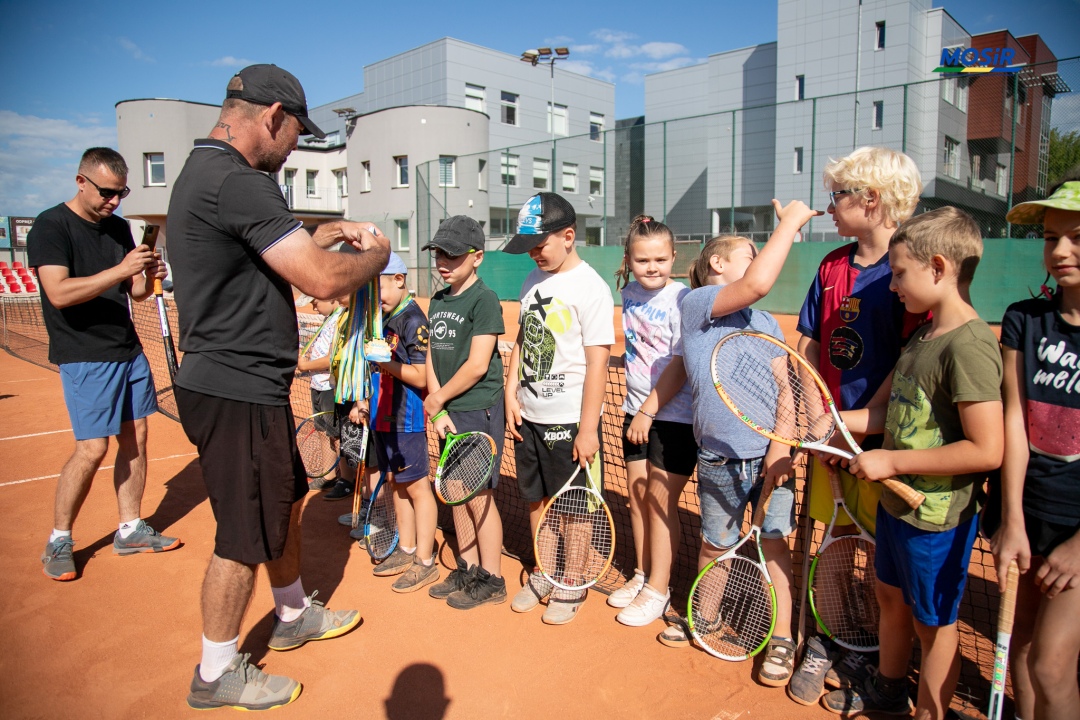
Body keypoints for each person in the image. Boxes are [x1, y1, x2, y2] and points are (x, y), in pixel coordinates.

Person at [167, 64, 389, 711]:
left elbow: (266, 254)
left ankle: (291, 614)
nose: (295, 146)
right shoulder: (240, 181)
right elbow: (321, 279)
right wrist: (377, 255)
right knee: (243, 535)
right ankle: (215, 673)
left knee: (284, 498)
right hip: (237, 388)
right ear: (272, 116)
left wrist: (325, 233)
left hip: (241, 384)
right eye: (296, 133)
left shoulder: (206, 172)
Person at [821, 207, 1004, 719]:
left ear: (939, 268)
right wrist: (834, 424)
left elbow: (987, 449)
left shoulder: (969, 346)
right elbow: (884, 411)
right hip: (897, 507)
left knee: (933, 624)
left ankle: (928, 713)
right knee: (888, 595)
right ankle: (888, 689)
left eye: (900, 273)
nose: (892, 284)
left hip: (937, 519)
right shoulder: (922, 337)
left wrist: (893, 462)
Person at [653, 201, 820, 692]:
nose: (760, 259)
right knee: (715, 544)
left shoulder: (766, 323)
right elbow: (758, 283)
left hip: (772, 459)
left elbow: (785, 389)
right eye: (751, 253)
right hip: (718, 460)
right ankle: (704, 616)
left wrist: (781, 447)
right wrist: (789, 223)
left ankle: (782, 638)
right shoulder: (697, 306)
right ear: (717, 263)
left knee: (774, 543)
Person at [789, 146, 927, 705]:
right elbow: (809, 342)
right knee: (834, 542)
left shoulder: (909, 268)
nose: (830, 206)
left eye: (838, 196)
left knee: (881, 558)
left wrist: (862, 426)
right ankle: (829, 638)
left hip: (885, 445)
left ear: (870, 199)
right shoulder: (831, 266)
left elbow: (914, 356)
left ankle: (869, 649)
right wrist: (816, 416)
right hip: (829, 437)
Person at [29, 146, 178, 582]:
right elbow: (59, 293)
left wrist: (146, 274)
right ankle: (59, 539)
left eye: (121, 193)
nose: (114, 201)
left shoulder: (117, 228)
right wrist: (121, 270)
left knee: (137, 439)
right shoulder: (50, 226)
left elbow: (135, 294)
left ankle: (130, 529)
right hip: (84, 355)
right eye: (107, 192)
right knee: (92, 449)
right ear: (81, 182)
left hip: (127, 349)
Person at [991, 175, 1080, 720]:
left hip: (1077, 533)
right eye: (1051, 238)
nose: (1061, 250)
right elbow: (1015, 420)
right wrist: (1013, 520)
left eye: (1077, 237)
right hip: (1029, 514)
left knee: (1051, 667)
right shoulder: (1024, 321)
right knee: (1019, 649)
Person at [504, 192, 615, 625]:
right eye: (529, 246)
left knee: (574, 508)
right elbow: (521, 339)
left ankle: (572, 580)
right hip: (529, 417)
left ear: (568, 236)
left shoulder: (592, 288)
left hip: (569, 421)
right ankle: (545, 571)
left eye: (540, 244)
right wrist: (511, 390)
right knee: (536, 500)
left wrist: (587, 429)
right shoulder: (532, 280)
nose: (534, 253)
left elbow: (598, 363)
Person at [607, 215, 696, 627]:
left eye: (661, 259)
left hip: (672, 417)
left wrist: (648, 411)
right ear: (629, 260)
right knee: (638, 496)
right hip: (635, 410)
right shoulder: (628, 292)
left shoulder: (683, 299)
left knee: (660, 503)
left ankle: (659, 590)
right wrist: (637, 408)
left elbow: (680, 362)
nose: (652, 267)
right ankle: (643, 575)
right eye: (642, 260)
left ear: (674, 257)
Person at [423, 215, 508, 609]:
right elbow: (430, 355)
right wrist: (438, 405)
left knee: (478, 496)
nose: (444, 261)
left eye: (453, 255)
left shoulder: (484, 300)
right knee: (456, 492)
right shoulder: (438, 300)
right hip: (448, 411)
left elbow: (477, 365)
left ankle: (493, 578)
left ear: (477, 257)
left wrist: (438, 400)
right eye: (439, 253)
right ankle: (468, 567)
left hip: (478, 409)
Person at [351, 251, 435, 592]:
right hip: (382, 416)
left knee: (417, 488)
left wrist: (383, 361)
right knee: (397, 483)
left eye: (379, 287)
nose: (375, 297)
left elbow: (421, 376)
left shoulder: (413, 320)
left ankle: (425, 560)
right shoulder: (382, 317)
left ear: (399, 280)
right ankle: (407, 547)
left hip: (406, 419)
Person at [297, 296, 346, 491]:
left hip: (331, 386)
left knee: (336, 435)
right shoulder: (328, 319)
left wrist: (306, 366)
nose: (314, 308)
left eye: (315, 303)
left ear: (331, 298)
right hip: (317, 383)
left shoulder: (341, 319)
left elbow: (332, 358)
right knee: (323, 431)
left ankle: (346, 479)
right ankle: (329, 475)